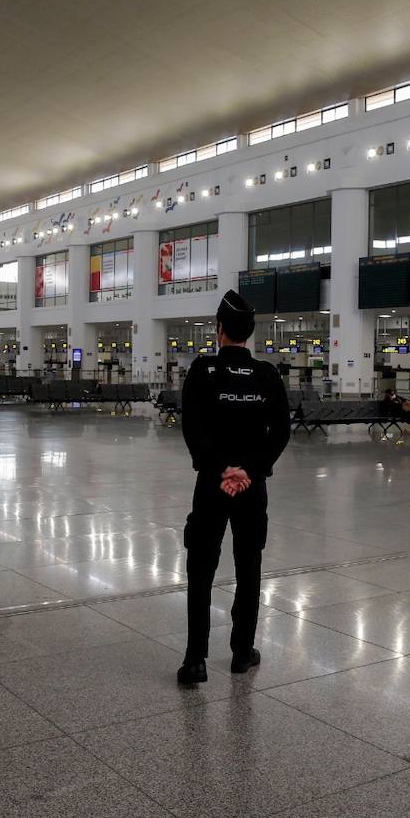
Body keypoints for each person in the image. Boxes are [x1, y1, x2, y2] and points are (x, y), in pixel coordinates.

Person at [177, 290, 291, 685]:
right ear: (251, 332)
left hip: (211, 487)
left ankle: (195, 660)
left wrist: (220, 470)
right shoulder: (268, 375)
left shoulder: (202, 371)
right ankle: (242, 651)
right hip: (251, 489)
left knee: (201, 568)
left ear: (219, 329)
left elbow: (191, 427)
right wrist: (250, 471)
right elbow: (280, 432)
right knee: (249, 567)